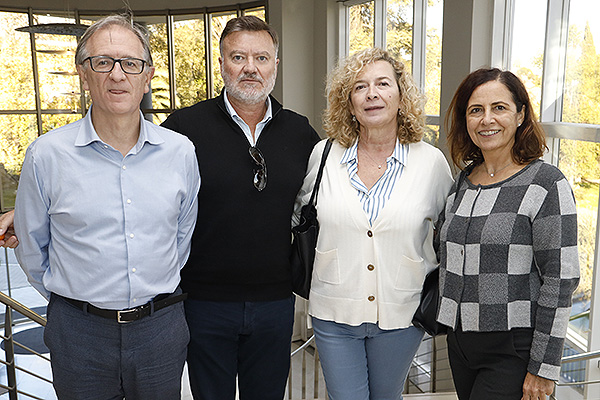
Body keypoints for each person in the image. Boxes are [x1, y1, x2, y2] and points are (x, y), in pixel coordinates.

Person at [13, 14, 200, 399]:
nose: (118, 75)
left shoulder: (180, 153)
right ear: (84, 74)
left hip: (160, 329)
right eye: (103, 62)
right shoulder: (46, 156)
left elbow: (181, 239)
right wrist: (75, 304)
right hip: (78, 334)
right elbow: (33, 248)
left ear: (147, 76)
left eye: (131, 63)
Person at [160, 16, 320, 400]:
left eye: (262, 58)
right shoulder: (183, 128)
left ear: (275, 65)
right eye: (239, 57)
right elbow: (140, 194)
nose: (251, 67)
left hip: (276, 304)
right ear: (222, 64)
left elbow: (327, 200)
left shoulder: (300, 132)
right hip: (203, 304)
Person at [294, 47, 453, 399]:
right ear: (348, 103)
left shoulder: (431, 163)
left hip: (403, 313)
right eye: (359, 87)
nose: (372, 94)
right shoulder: (324, 155)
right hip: (333, 311)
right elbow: (299, 214)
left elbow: (451, 233)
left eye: (383, 83)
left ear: (401, 95)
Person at [436, 68, 580, 400]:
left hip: (512, 350)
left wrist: (543, 367)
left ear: (520, 115)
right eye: (476, 110)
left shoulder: (545, 183)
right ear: (466, 120)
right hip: (460, 344)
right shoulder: (464, 181)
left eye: (499, 108)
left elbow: (561, 279)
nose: (487, 119)